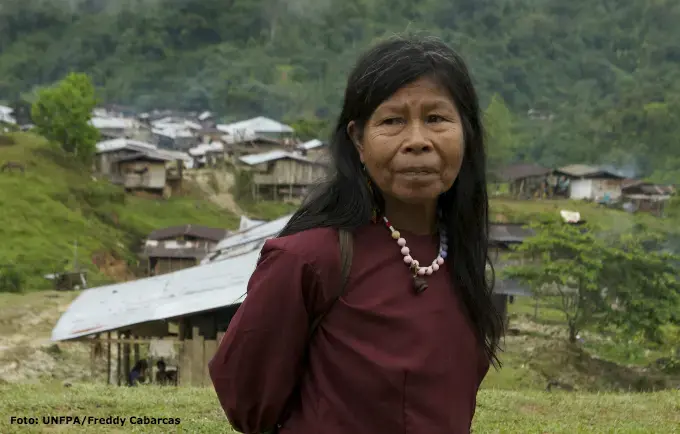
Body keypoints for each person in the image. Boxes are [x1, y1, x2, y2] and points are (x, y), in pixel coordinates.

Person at [209, 35, 503, 434]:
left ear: (467, 134)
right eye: (392, 121)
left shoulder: (461, 258)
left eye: (436, 118)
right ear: (358, 141)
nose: (417, 141)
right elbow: (248, 402)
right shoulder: (310, 259)